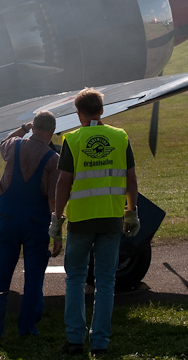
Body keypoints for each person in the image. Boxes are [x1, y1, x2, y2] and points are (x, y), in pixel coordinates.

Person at [50, 87, 140, 355]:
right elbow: (130, 179)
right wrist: (131, 211)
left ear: (78, 114)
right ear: (102, 111)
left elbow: (63, 183)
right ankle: (100, 341)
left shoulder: (73, 140)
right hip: (111, 219)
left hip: (81, 221)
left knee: (75, 279)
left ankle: (75, 339)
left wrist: (56, 220)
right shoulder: (119, 137)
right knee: (106, 281)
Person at [0, 110, 61, 339]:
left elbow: (2, 143)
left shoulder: (15, 146)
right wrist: (57, 233)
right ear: (52, 131)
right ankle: (27, 328)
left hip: (7, 221)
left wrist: (23, 128)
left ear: (33, 126)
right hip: (36, 224)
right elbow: (52, 198)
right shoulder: (53, 159)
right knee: (34, 278)